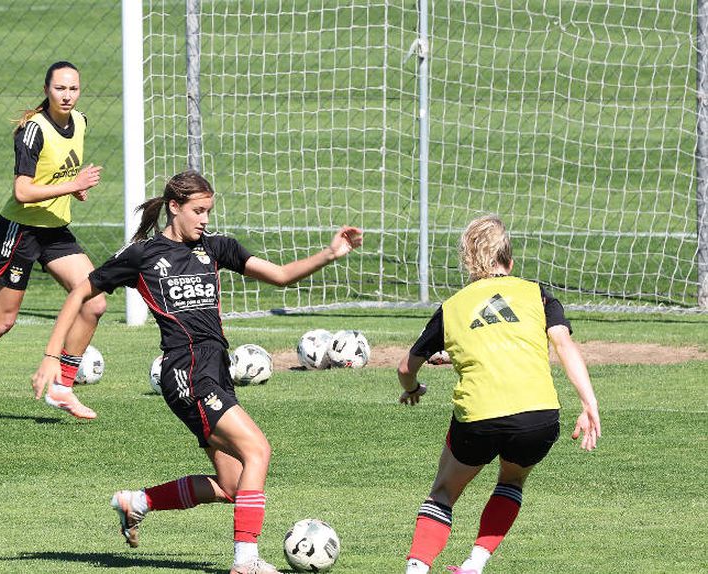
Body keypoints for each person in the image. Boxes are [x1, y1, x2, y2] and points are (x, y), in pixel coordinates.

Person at [32, 171, 363, 574]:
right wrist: (52, 355)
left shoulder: (216, 247)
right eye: (198, 210)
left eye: (209, 211)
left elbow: (279, 276)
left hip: (216, 370)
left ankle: (138, 502)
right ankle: (246, 561)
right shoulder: (143, 255)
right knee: (258, 450)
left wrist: (330, 253)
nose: (205, 219)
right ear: (174, 207)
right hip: (187, 372)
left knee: (233, 486)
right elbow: (81, 292)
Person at [396, 214, 601, 573]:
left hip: (479, 418)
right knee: (512, 479)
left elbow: (405, 367)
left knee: (443, 492)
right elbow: (563, 344)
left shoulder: (453, 307)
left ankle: (416, 569)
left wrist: (413, 388)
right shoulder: (537, 294)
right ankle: (474, 565)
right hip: (538, 417)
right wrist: (588, 402)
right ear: (511, 261)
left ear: (469, 263)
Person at [0, 61, 105, 427]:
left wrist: (72, 191)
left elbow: (57, 174)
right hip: (20, 232)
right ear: (47, 90)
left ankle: (62, 387)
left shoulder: (80, 122)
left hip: (54, 230)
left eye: (73, 89)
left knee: (94, 302)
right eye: (60, 88)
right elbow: (23, 190)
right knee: (3, 320)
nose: (67, 95)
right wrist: (73, 185)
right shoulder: (32, 131)